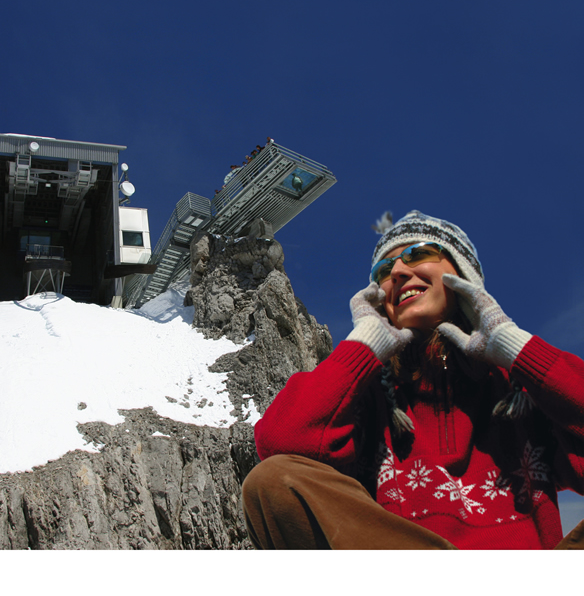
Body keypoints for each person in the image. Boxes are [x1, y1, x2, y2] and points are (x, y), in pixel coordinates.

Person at [242, 210, 584, 549]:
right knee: (272, 480)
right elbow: (280, 447)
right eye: (384, 271)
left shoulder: (516, 384)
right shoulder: (367, 392)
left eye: (418, 253)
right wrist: (363, 345)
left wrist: (515, 346)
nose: (399, 273)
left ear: (463, 274)